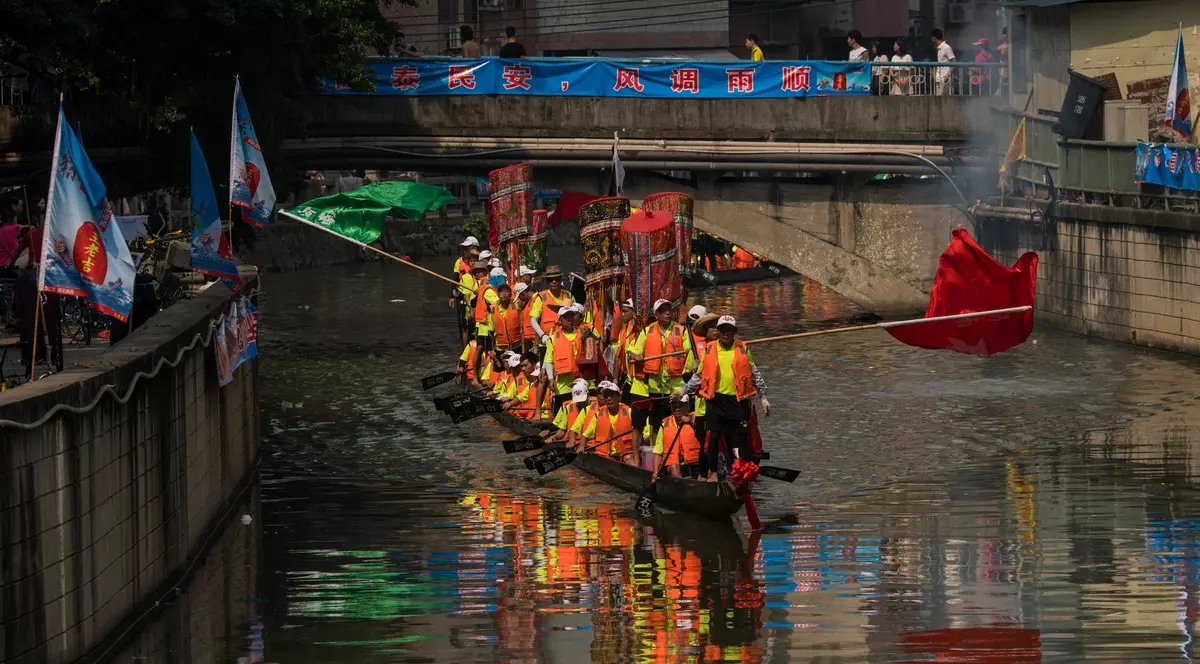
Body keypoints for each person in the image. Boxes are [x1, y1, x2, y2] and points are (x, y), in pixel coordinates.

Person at [681, 315, 770, 479]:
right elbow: (699, 376)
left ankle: (744, 471)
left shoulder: (742, 348)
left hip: (738, 400)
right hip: (716, 401)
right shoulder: (710, 349)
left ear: (734, 332)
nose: (726, 333)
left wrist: (763, 397)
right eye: (723, 330)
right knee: (713, 437)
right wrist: (683, 391)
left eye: (730, 330)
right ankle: (713, 473)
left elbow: (755, 374)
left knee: (741, 438)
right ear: (719, 332)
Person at [626, 299, 694, 463]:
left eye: (669, 310)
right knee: (655, 424)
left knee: (680, 421)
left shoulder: (681, 330)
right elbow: (633, 351)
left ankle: (680, 457)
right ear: (656, 315)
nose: (667, 313)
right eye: (663, 310)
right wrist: (636, 356)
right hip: (655, 386)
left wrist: (687, 371)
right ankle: (655, 460)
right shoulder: (647, 331)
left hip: (676, 386)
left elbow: (689, 352)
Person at [542, 303, 598, 418]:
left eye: (571, 316)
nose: (569, 319)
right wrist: (551, 378)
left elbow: (593, 356)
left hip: (585, 381)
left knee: (588, 414)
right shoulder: (553, 338)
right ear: (560, 319)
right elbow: (548, 360)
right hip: (564, 383)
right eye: (565, 317)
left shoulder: (585, 333)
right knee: (563, 415)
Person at [573, 381, 637, 466]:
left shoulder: (629, 412)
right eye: (606, 396)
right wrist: (581, 446)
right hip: (605, 455)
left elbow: (642, 432)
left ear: (618, 397)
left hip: (624, 453)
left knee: (629, 458)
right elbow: (586, 435)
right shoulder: (598, 414)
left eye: (612, 395)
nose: (609, 398)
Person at [653, 395, 704, 478]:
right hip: (672, 464)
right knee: (674, 468)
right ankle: (681, 488)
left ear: (688, 406)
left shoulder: (696, 420)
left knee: (704, 474)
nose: (677, 409)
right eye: (674, 406)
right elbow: (658, 452)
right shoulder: (664, 425)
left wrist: (690, 421)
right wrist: (655, 472)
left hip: (695, 463)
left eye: (681, 405)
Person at [469, 261, 498, 387]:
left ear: (486, 272)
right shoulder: (478, 285)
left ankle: (482, 377)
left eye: (480, 271)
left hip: (488, 323)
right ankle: (478, 378)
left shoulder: (489, 283)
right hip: (484, 324)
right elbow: (473, 303)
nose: (478, 273)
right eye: (476, 272)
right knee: (484, 350)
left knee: (487, 351)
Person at [529, 265, 574, 347]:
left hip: (566, 339)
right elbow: (533, 320)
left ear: (560, 280)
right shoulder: (541, 297)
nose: (554, 282)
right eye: (551, 280)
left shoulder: (568, 295)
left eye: (557, 279)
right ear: (546, 281)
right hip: (547, 341)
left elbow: (576, 315)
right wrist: (542, 335)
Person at [451, 236, 480, 347]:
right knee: (464, 327)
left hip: (477, 302)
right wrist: (452, 296)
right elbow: (454, 278)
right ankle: (465, 350)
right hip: (464, 300)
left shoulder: (481, 262)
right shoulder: (460, 263)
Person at [548, 378, 595, 447]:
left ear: (588, 395)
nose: (580, 402)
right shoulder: (569, 407)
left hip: (589, 444)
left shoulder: (595, 408)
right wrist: (553, 437)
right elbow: (562, 430)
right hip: (572, 442)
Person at [492, 282, 525, 358]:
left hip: (517, 344)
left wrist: (522, 305)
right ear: (498, 295)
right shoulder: (492, 309)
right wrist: (492, 349)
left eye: (506, 291)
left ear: (510, 295)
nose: (504, 294)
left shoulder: (516, 305)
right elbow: (491, 331)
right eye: (501, 292)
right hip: (500, 346)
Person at [933, 29, 956, 96]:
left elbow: (954, 62)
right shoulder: (939, 48)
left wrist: (947, 75)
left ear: (934, 38)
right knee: (939, 98)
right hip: (939, 78)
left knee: (945, 99)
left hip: (945, 79)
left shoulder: (946, 48)